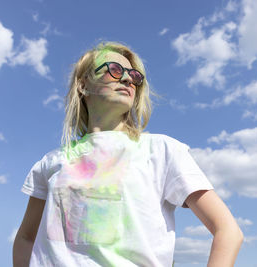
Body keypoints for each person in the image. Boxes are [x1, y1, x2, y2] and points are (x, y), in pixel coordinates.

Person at [13, 41, 243, 267]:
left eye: (134, 76)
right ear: (83, 85)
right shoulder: (51, 162)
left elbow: (227, 230)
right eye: (114, 70)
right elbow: (26, 238)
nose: (127, 79)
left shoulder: (161, 150)